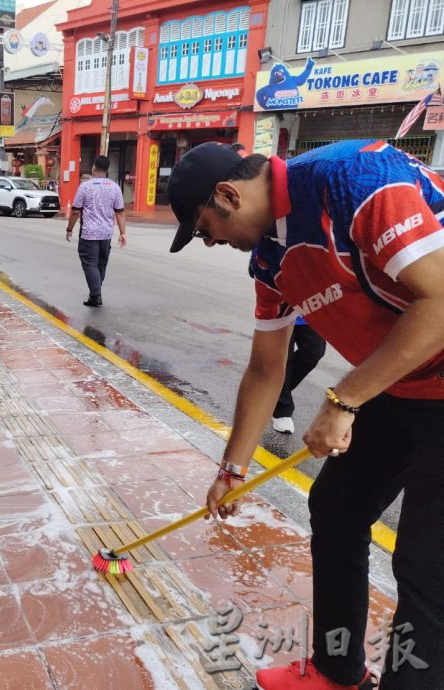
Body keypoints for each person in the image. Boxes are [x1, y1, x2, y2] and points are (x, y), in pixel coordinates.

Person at [167, 140, 444, 690]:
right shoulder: (270, 259)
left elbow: (439, 300)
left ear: (227, 194)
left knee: (426, 563)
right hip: (402, 382)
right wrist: (232, 470)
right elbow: (266, 370)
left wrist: (343, 400)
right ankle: (337, 672)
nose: (213, 241)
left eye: (205, 229)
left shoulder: (357, 179)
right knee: (338, 506)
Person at [65, 155, 127, 307]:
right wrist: (123, 232)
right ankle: (95, 292)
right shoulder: (115, 187)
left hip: (89, 233)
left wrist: (69, 228)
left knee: (90, 264)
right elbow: (120, 212)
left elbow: (75, 211)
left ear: (93, 167)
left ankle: (95, 295)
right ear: (107, 169)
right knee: (101, 264)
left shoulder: (85, 186)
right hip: (106, 234)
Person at [272, 314, 326, 434]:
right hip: (282, 312)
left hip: (311, 311)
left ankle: (273, 391)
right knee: (284, 357)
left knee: (314, 352)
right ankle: (282, 410)